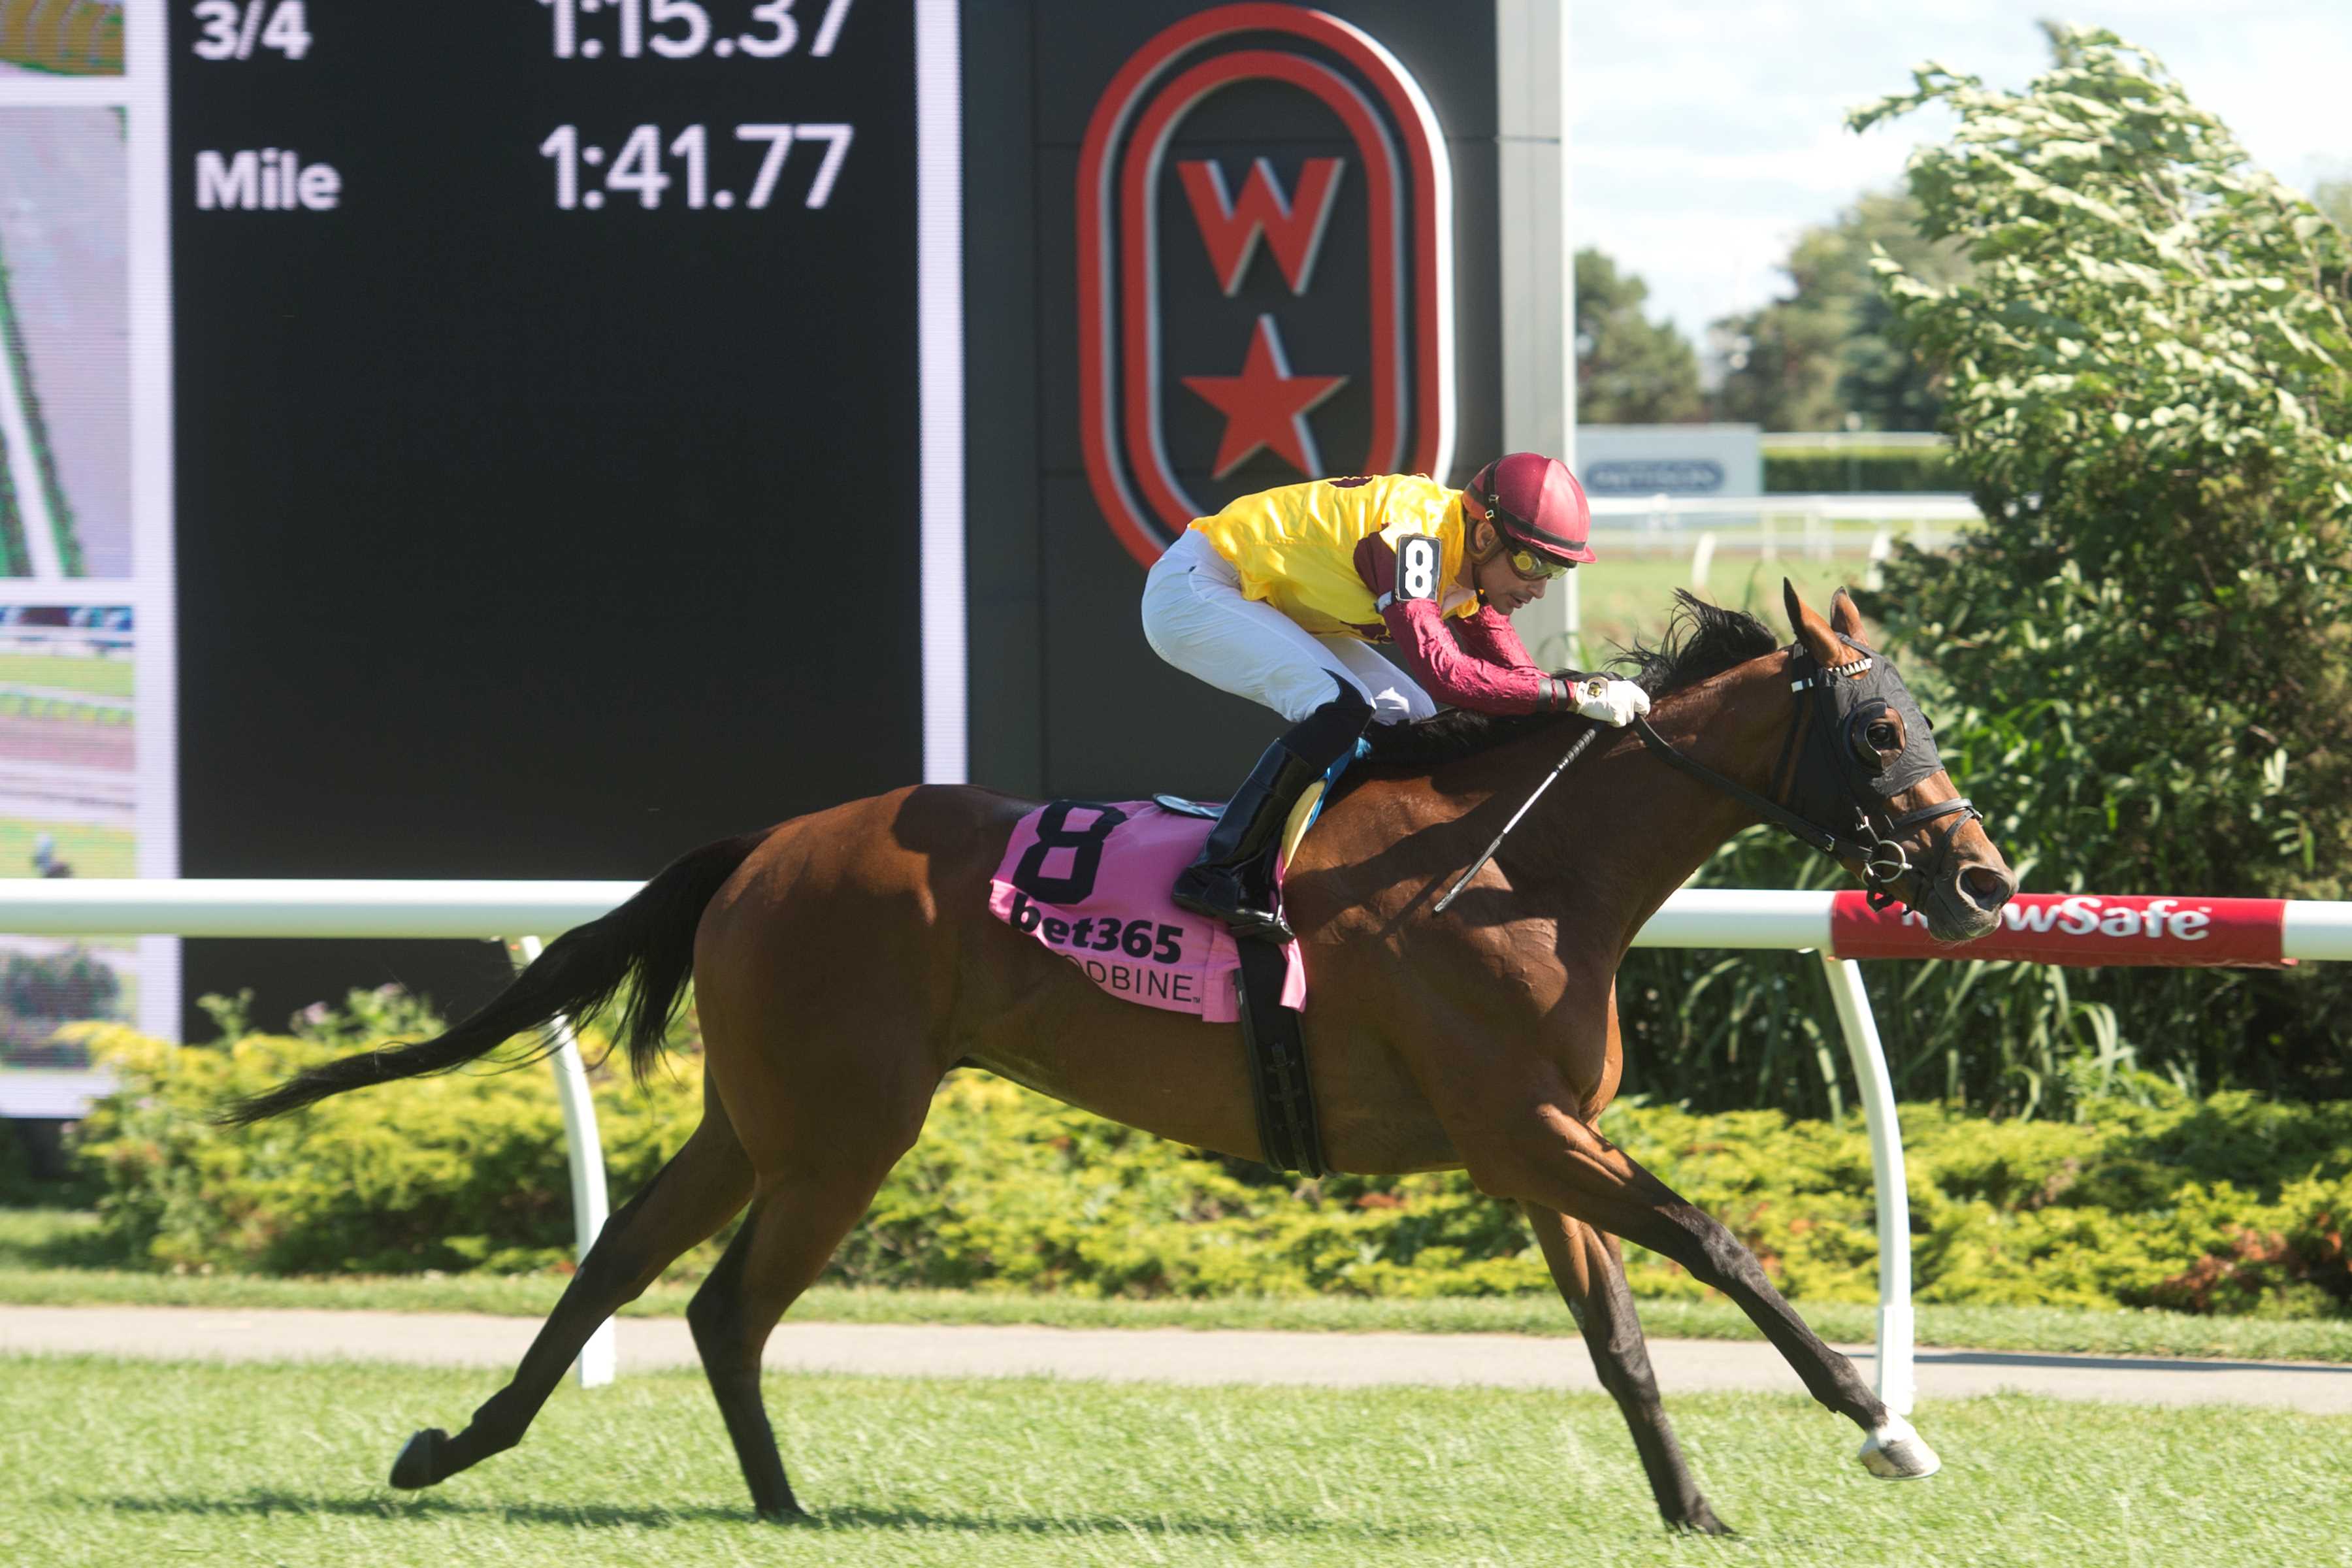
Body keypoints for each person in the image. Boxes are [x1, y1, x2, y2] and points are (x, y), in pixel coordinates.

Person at [1141, 452, 1652, 941]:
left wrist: (1583, 696)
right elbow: (1446, 675)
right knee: (1342, 706)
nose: (1539, 588)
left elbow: (1518, 677)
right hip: (1199, 587)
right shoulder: (1416, 538)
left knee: (1413, 721)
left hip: (1270, 597)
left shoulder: (1469, 558)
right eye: (1529, 563)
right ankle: (1221, 871)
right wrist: (1571, 694)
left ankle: (1333, 857)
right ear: (1484, 535)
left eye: (1554, 571)